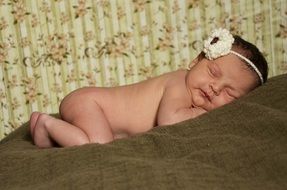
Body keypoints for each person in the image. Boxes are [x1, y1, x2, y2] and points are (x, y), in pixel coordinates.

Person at [29, 28, 268, 148]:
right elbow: (169, 120)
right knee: (99, 145)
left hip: (95, 110)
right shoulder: (178, 82)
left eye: (229, 93)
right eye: (214, 73)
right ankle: (47, 124)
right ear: (196, 60)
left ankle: (47, 135)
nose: (215, 88)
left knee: (103, 138)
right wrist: (204, 113)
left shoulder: (192, 93)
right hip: (90, 103)